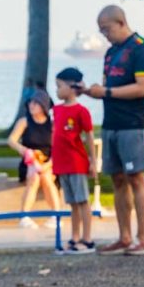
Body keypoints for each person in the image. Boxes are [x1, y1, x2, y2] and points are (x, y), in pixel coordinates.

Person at [85, 5, 144, 256]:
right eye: (101, 31)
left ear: (120, 22)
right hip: (111, 123)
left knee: (136, 177)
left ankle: (142, 239)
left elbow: (143, 88)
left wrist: (106, 92)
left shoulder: (141, 48)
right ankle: (124, 236)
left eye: (106, 29)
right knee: (116, 178)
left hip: (133, 124)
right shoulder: (110, 53)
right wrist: (94, 91)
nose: (105, 35)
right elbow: (109, 86)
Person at [51, 67, 97, 253]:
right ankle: (75, 237)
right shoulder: (56, 110)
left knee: (82, 200)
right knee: (72, 203)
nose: (57, 90)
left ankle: (87, 238)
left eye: (59, 86)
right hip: (62, 163)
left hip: (76, 162)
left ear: (71, 87)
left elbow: (89, 136)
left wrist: (93, 161)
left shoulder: (81, 111)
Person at [7, 91, 61, 228]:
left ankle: (56, 216)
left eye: (36, 103)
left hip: (49, 162)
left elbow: (58, 148)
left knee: (46, 178)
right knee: (34, 178)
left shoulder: (52, 124)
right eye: (31, 102)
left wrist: (48, 165)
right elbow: (11, 140)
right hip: (29, 162)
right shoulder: (24, 121)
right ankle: (24, 216)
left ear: (44, 106)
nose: (32, 105)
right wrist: (25, 151)